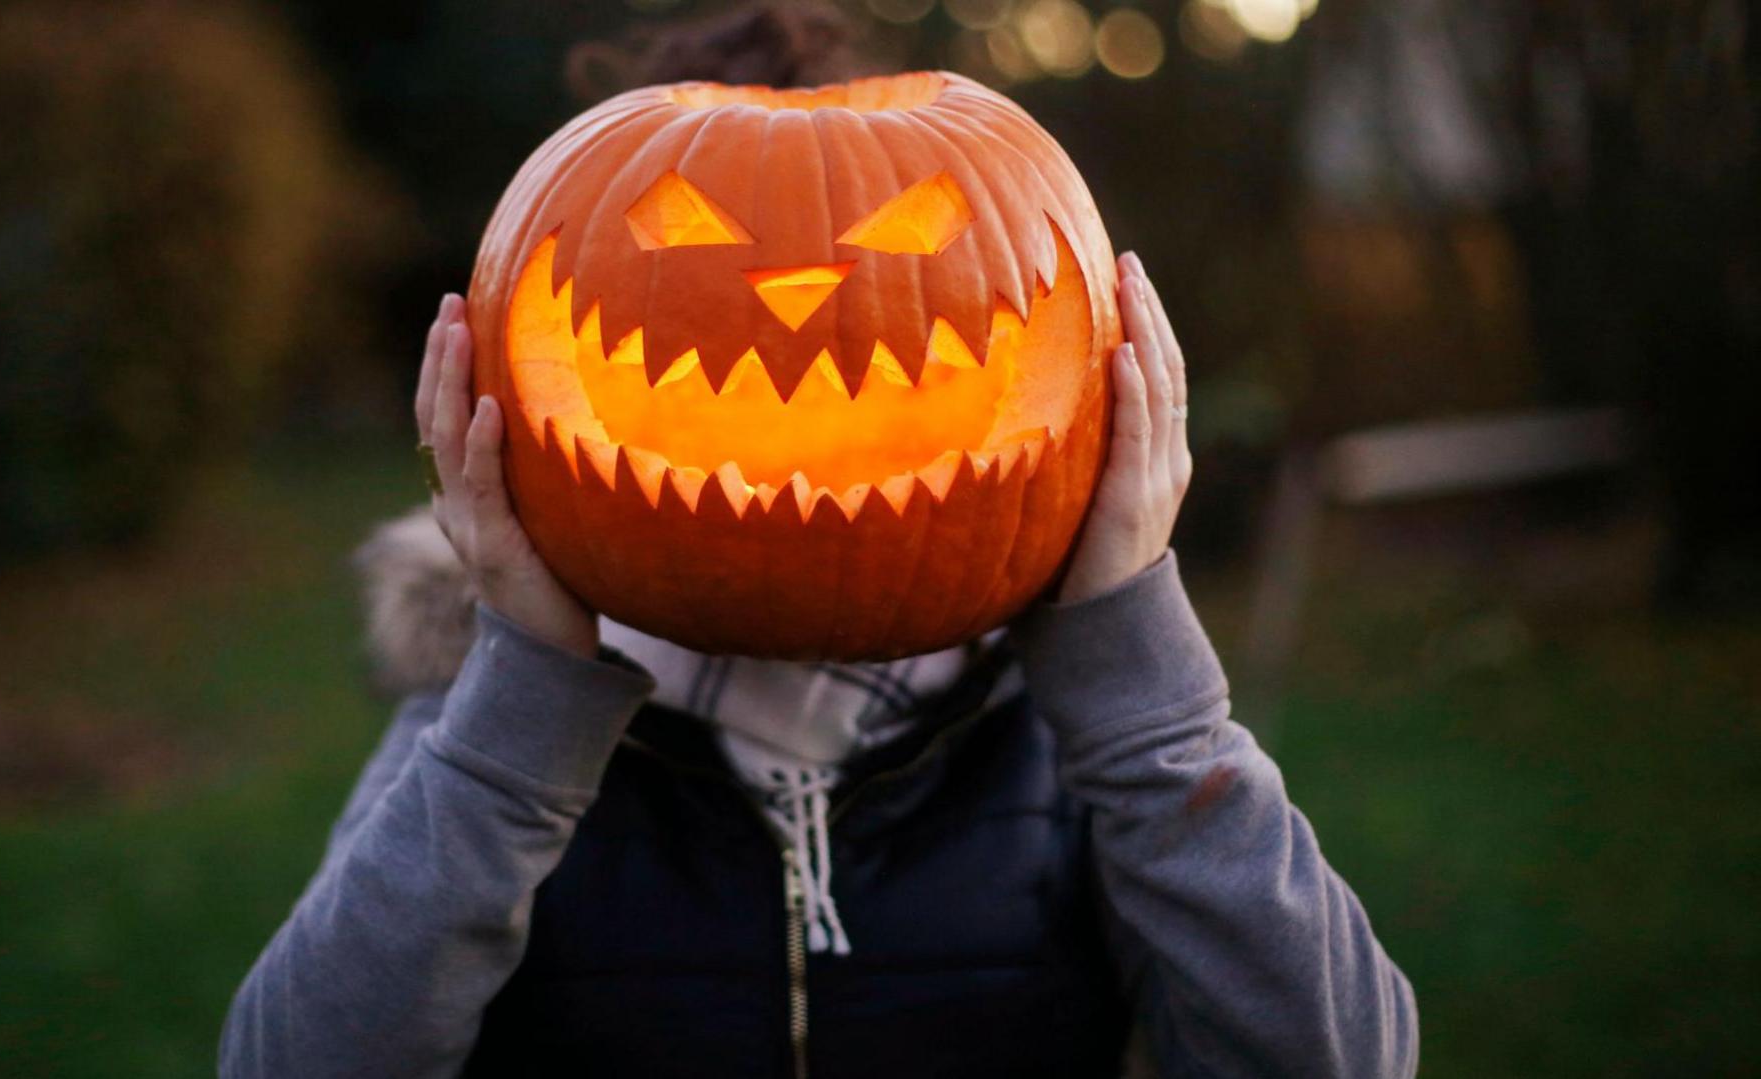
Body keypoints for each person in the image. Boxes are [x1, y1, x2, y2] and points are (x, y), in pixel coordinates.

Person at [221, 9, 1417, 1078]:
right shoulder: (483, 739)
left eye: (902, 226)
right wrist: (524, 688)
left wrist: (1145, 696)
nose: (795, 287)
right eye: (682, 231)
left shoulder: (1076, 750)